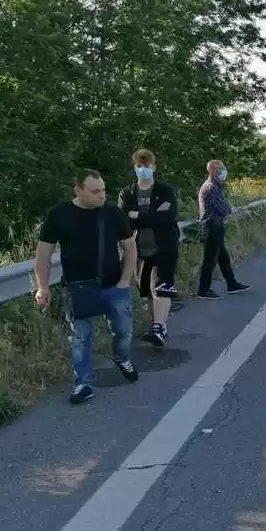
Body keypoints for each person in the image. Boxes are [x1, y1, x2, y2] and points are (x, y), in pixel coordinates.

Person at [34, 169, 140, 405]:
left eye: (103, 189)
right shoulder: (59, 214)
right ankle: (83, 383)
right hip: (77, 288)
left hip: (114, 285)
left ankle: (121, 357)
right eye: (95, 191)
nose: (102, 195)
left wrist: (125, 280)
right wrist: (43, 286)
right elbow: (43, 254)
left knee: (124, 330)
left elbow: (130, 248)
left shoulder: (112, 213)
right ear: (78, 190)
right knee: (81, 338)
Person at [117, 148, 180, 347]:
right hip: (138, 250)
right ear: (134, 168)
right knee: (147, 291)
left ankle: (158, 326)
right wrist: (153, 215)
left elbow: (169, 216)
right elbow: (124, 220)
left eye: (146, 166)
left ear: (153, 167)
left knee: (161, 287)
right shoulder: (128, 193)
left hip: (164, 247)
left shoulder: (165, 190)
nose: (143, 169)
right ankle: (158, 325)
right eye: (139, 166)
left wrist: (139, 215)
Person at [196, 159, 250, 299]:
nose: (223, 171)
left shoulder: (214, 186)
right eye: (220, 169)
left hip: (215, 225)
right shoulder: (211, 188)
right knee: (210, 259)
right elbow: (223, 208)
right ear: (212, 170)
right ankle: (203, 290)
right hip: (212, 226)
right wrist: (231, 209)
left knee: (223, 258)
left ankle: (231, 284)